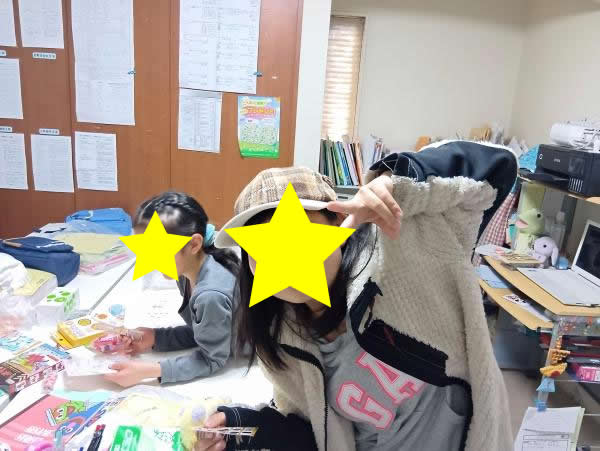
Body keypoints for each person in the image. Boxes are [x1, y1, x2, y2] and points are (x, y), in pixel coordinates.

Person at [195, 141, 517, 451]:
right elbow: (318, 434)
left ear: (337, 221)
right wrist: (244, 425)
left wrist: (397, 180)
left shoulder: (401, 253)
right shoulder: (283, 338)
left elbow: (497, 167)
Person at [104, 192, 239, 387]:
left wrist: (149, 371)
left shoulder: (210, 295)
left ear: (194, 244)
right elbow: (205, 331)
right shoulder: (187, 272)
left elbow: (213, 358)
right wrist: (155, 337)